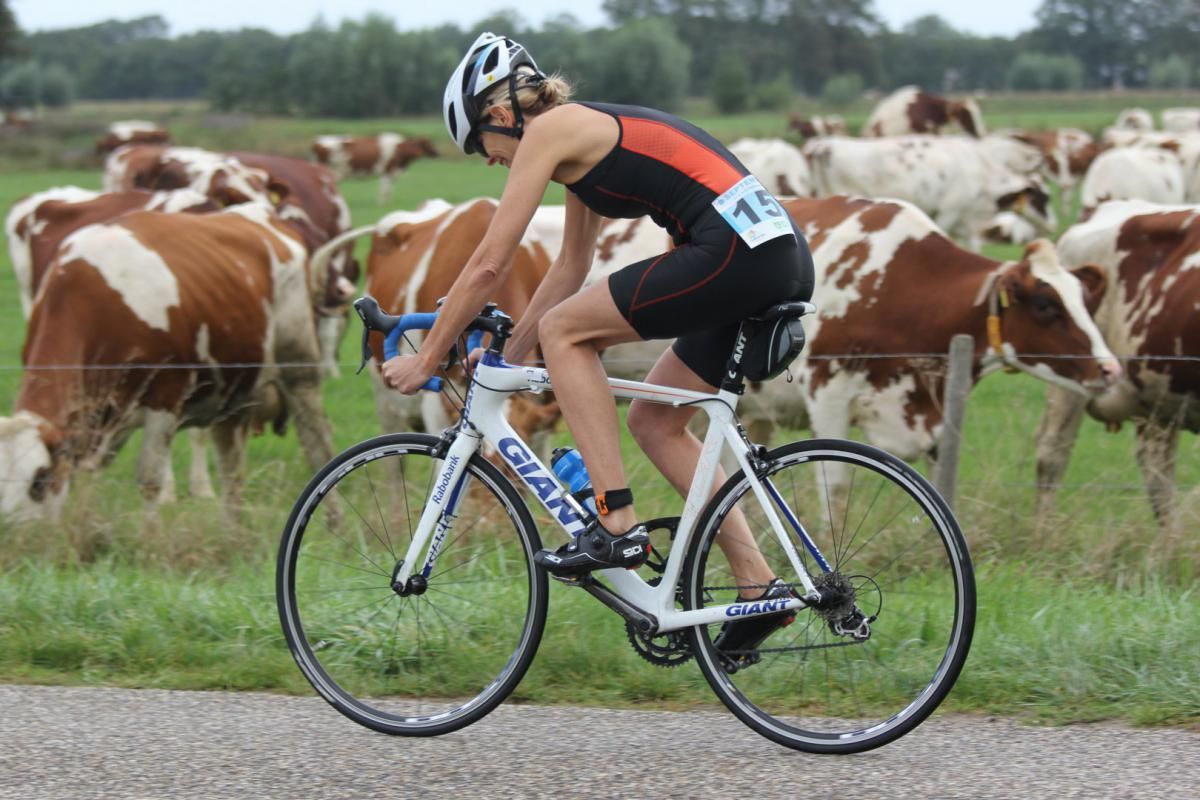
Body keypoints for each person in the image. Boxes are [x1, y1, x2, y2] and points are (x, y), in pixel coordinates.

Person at [381, 33, 815, 652]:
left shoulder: (552, 131)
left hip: (735, 254)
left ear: (502, 115)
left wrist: (428, 357)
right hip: (771, 254)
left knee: (568, 331)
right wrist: (510, 357)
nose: (487, 159)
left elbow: (488, 263)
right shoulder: (578, 142)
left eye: (482, 144)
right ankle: (757, 586)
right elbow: (568, 268)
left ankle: (615, 523)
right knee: (656, 420)